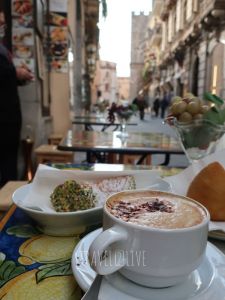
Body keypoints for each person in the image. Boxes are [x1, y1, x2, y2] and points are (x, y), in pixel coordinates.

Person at [0, 10, 34, 187]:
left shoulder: (3, 48)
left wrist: (21, 78)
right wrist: (15, 72)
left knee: (9, 167)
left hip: (9, 120)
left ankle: (8, 205)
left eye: (3, 23)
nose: (2, 27)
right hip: (3, 120)